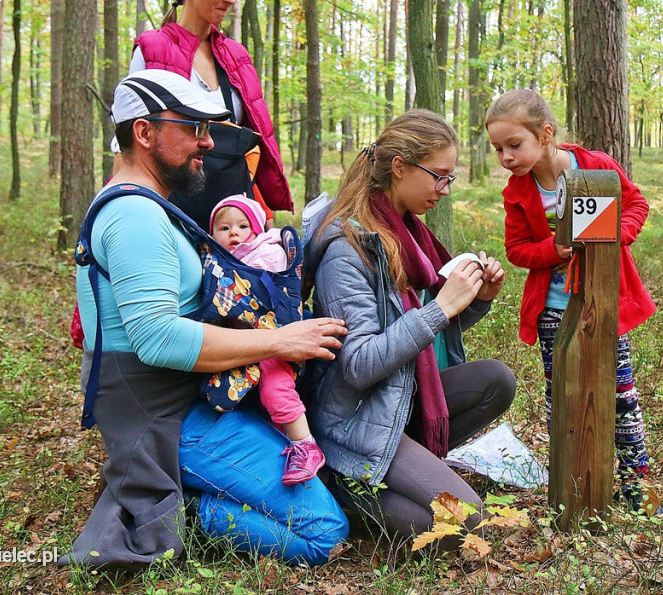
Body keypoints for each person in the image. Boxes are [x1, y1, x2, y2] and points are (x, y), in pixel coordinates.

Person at [62, 69, 348, 570]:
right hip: (166, 415)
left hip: (188, 397)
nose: (207, 141)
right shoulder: (135, 217)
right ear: (145, 133)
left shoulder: (148, 207)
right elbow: (157, 339)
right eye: (192, 127)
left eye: (207, 127)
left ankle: (170, 491)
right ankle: (182, 514)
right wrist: (279, 341)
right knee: (324, 531)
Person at [303, 109, 517, 542]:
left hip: (399, 399)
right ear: (399, 167)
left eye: (450, 178)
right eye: (438, 175)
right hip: (353, 421)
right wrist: (440, 307)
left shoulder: (408, 234)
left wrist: (474, 302)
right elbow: (359, 364)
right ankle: (343, 484)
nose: (444, 189)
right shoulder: (347, 248)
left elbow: (417, 340)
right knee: (459, 524)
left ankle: (409, 462)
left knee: (496, 380)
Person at [485, 88, 657, 508]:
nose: (507, 157)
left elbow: (636, 205)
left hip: (603, 305)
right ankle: (570, 481)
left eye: (514, 144)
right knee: (561, 393)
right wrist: (552, 251)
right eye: (498, 149)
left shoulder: (595, 166)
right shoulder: (517, 190)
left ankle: (636, 483)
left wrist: (614, 238)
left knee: (619, 394)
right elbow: (516, 248)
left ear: (545, 134)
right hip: (553, 309)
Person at [111, 0, 288, 227]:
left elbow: (250, 142)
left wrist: (263, 217)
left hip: (231, 215)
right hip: (175, 203)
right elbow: (127, 139)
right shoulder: (153, 48)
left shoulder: (236, 56)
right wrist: (122, 208)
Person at [208, 194, 326, 485]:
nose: (234, 233)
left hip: (275, 339)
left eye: (242, 226)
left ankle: (306, 445)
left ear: (256, 230)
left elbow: (269, 278)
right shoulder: (213, 259)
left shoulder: (265, 251)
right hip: (241, 344)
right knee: (259, 405)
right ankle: (283, 447)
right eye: (224, 229)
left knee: (276, 392)